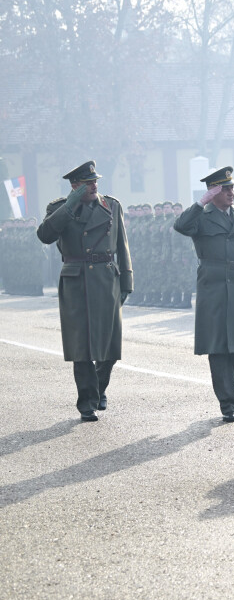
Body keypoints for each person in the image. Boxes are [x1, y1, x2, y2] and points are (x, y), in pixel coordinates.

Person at [36, 161, 133, 421]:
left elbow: (122, 245)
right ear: (75, 186)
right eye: (88, 183)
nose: (94, 186)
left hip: (106, 279)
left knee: (109, 347)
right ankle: (87, 402)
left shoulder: (111, 205)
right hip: (76, 281)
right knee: (81, 348)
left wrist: (127, 281)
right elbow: (45, 235)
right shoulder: (59, 208)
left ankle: (99, 388)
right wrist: (70, 205)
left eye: (95, 181)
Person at [174, 167, 234, 422]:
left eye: (231, 188)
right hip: (213, 286)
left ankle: (225, 384)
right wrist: (201, 201)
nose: (231, 193)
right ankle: (228, 403)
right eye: (225, 189)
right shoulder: (201, 217)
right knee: (218, 347)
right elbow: (180, 226)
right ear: (213, 191)